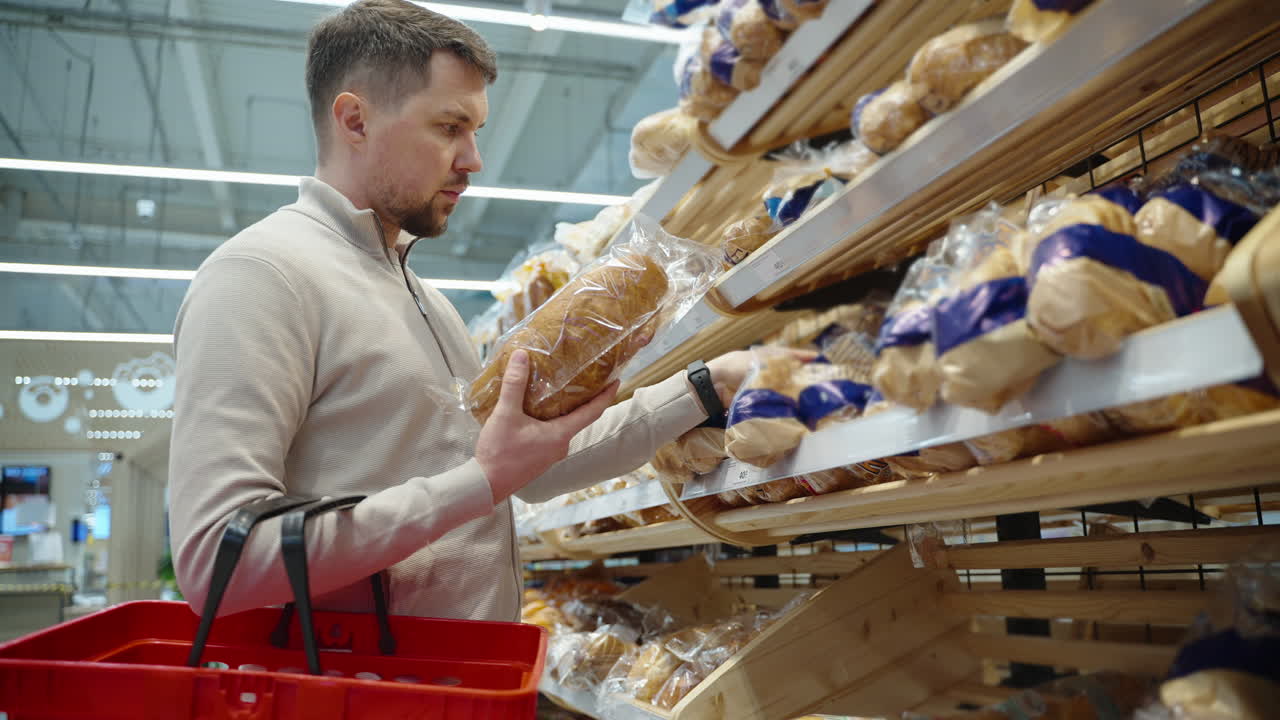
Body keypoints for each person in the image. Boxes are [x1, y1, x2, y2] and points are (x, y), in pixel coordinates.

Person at [168, 0, 760, 622]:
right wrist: (476, 483)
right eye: (450, 127)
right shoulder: (263, 276)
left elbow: (522, 469)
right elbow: (218, 563)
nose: (474, 159)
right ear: (354, 119)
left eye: (475, 131)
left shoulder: (428, 302)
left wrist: (705, 386)